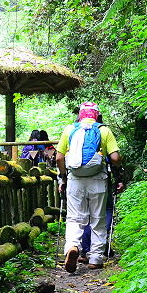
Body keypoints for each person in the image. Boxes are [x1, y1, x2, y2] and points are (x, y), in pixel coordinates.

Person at [55, 102, 123, 272]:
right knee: (97, 219)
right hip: (98, 180)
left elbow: (58, 158)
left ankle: (72, 247)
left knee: (74, 219)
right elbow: (115, 158)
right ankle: (96, 258)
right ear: (97, 115)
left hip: (75, 180)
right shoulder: (104, 130)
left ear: (80, 115)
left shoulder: (69, 129)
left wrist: (64, 177)